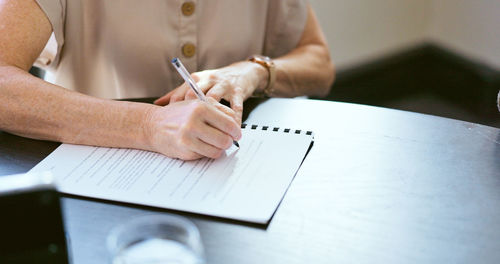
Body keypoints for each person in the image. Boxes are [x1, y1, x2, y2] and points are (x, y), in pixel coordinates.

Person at [0, 0, 334, 160]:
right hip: (97, 171)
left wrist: (252, 71)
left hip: (233, 165)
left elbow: (318, 63)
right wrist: (147, 125)